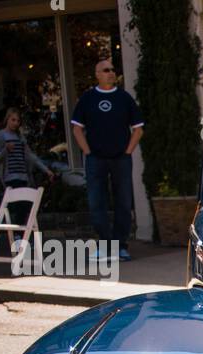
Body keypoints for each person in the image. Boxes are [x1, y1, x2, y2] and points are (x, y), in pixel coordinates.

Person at [71, 58, 143, 261]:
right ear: (97, 74)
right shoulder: (87, 99)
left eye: (112, 70)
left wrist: (128, 151)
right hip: (96, 160)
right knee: (96, 202)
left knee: (123, 201)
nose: (111, 73)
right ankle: (104, 246)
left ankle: (120, 246)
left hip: (121, 159)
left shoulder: (124, 98)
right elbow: (77, 129)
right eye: (106, 70)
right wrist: (87, 152)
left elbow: (138, 129)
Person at [0, 107, 55, 189]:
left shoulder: (20, 137)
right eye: (13, 120)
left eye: (18, 121)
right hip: (9, 178)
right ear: (7, 119)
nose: (15, 123)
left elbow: (30, 155)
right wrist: (5, 150)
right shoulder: (0, 135)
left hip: (23, 178)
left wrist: (46, 170)